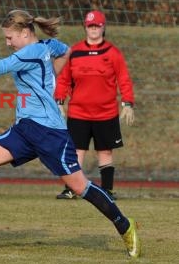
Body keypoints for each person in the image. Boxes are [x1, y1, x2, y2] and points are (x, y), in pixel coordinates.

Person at [0, 9, 141, 258]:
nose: (8, 43)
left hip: (50, 132)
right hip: (24, 129)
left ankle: (125, 226)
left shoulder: (30, 52)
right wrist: (53, 79)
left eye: (10, 37)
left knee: (79, 186)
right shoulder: (45, 45)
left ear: (24, 32)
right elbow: (65, 50)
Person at [54, 10, 135, 200]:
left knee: (105, 151)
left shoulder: (113, 53)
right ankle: (72, 188)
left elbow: (124, 79)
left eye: (97, 26)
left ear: (103, 27)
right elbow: (64, 79)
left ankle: (107, 190)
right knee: (76, 151)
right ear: (85, 27)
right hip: (78, 113)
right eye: (90, 26)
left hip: (106, 113)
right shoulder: (74, 52)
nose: (94, 29)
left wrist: (128, 102)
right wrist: (59, 101)